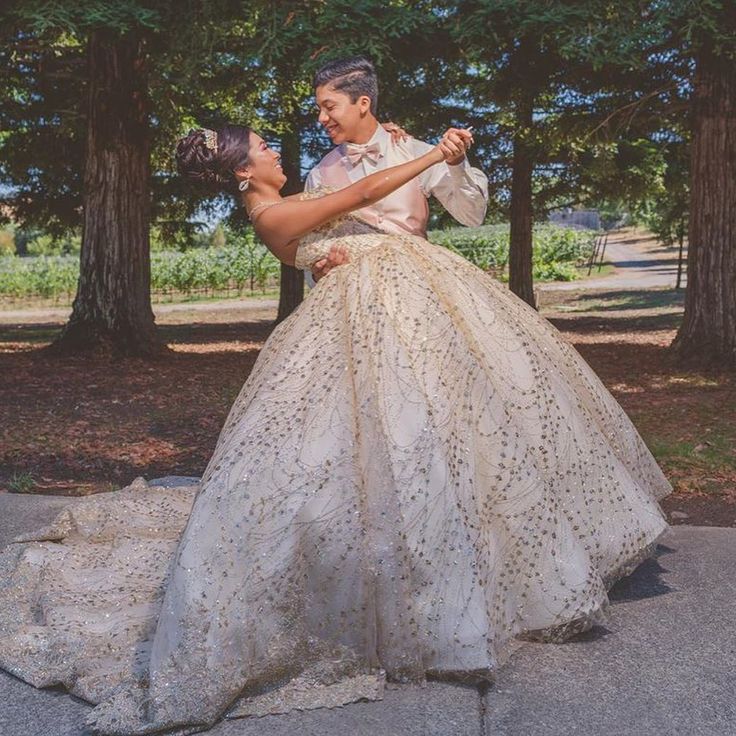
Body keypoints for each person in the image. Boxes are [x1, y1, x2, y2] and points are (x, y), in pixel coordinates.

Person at [0, 122, 671, 736]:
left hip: (388, 311)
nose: (274, 151)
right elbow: (367, 192)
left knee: (431, 440)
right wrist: (426, 155)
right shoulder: (273, 209)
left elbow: (350, 210)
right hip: (351, 327)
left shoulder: (286, 201)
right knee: (369, 453)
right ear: (242, 173)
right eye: (262, 148)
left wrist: (389, 149)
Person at [305, 56, 488, 283]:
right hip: (352, 300)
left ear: (363, 103)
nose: (321, 118)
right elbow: (310, 257)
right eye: (319, 108)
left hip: (417, 292)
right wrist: (318, 273)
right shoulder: (318, 175)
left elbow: (472, 216)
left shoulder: (417, 153)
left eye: (329, 107)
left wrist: (456, 163)